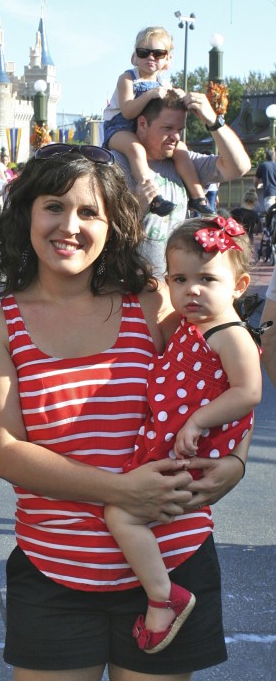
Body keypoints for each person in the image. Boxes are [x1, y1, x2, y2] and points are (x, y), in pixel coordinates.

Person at [0, 142, 249, 681]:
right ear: (25, 215)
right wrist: (120, 491)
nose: (70, 226)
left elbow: (228, 376)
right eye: (53, 206)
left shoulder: (152, 304)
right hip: (58, 575)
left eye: (89, 211)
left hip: (173, 566)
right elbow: (6, 453)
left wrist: (232, 463)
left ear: (116, 221)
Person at [103, 216, 260, 654]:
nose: (191, 289)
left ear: (240, 284)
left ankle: (163, 597)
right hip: (177, 441)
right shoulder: (195, 329)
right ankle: (160, 592)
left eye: (207, 278)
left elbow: (249, 393)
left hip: (193, 448)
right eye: (180, 278)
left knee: (121, 513)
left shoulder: (230, 334)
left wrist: (198, 421)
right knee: (123, 511)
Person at [110, 89, 251, 278]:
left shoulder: (185, 162)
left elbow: (238, 166)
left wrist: (213, 121)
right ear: (142, 124)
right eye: (167, 128)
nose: (176, 137)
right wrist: (139, 207)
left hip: (173, 292)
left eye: (180, 130)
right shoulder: (114, 165)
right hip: (126, 288)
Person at [103, 27, 213, 218]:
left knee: (181, 149)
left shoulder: (164, 84)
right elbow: (128, 112)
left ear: (168, 60)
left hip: (148, 130)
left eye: (158, 53)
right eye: (143, 52)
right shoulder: (128, 78)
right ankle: (152, 195)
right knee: (136, 149)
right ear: (134, 57)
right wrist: (149, 95)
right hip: (119, 128)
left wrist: (181, 96)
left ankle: (197, 197)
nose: (150, 57)